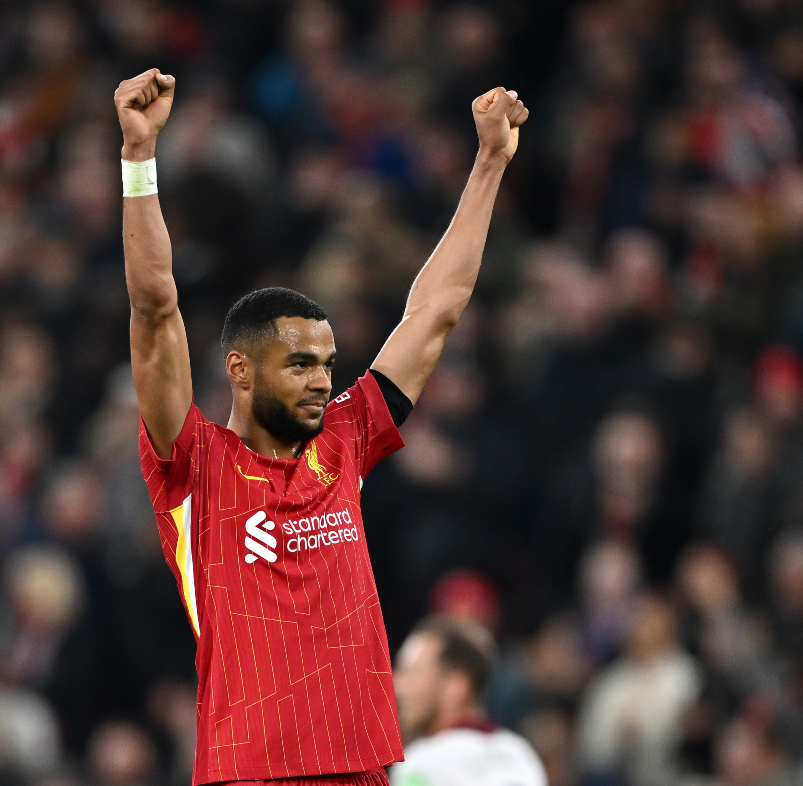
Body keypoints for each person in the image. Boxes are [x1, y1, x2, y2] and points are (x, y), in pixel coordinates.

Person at [115, 69, 528, 785]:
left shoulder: (347, 437)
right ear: (240, 371)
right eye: (299, 364)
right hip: (251, 771)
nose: (322, 380)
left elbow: (436, 309)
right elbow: (155, 309)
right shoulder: (193, 466)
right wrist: (138, 161)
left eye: (328, 363)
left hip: (363, 766)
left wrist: (489, 163)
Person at [390, 616, 547, 786]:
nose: (398, 686)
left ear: (455, 687)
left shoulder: (422, 765)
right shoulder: (521, 755)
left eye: (412, 673)